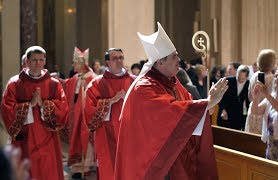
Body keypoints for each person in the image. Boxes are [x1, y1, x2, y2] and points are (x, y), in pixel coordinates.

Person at [114, 22, 228, 180]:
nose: (179, 60)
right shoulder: (143, 87)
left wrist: (208, 105)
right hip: (155, 163)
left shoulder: (173, 81)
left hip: (177, 158)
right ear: (160, 62)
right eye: (174, 56)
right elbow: (169, 111)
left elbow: (188, 106)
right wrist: (206, 104)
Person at [1, 46, 68, 179]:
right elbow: (6, 109)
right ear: (27, 61)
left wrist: (44, 104)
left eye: (41, 60)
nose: (38, 63)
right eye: (34, 60)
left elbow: (63, 108)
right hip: (25, 138)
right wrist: (29, 105)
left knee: (47, 170)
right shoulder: (15, 83)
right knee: (28, 170)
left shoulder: (54, 84)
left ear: (44, 61)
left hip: (48, 137)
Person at [84, 48, 134, 180]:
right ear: (107, 62)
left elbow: (145, 108)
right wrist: (110, 102)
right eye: (114, 58)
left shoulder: (135, 82)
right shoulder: (96, 83)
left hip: (130, 136)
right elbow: (89, 113)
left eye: (121, 57)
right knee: (109, 172)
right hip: (105, 136)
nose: (119, 61)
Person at [65, 47, 96, 179]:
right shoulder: (75, 78)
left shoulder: (92, 78)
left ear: (83, 63)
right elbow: (66, 87)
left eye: (75, 62)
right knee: (76, 138)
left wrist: (85, 87)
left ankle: (87, 166)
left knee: (86, 139)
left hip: (85, 116)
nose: (73, 65)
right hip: (75, 116)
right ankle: (77, 165)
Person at [245, 49, 276, 134]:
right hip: (266, 112)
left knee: (251, 140)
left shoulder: (254, 75)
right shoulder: (273, 78)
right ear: (272, 62)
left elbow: (250, 97)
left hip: (252, 111)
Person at [218, 65, 250, 130]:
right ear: (236, 74)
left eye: (243, 79)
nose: (240, 80)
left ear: (247, 77)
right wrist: (222, 109)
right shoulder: (228, 81)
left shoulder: (248, 84)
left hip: (238, 115)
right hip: (225, 112)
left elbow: (248, 101)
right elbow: (220, 96)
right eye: (238, 77)